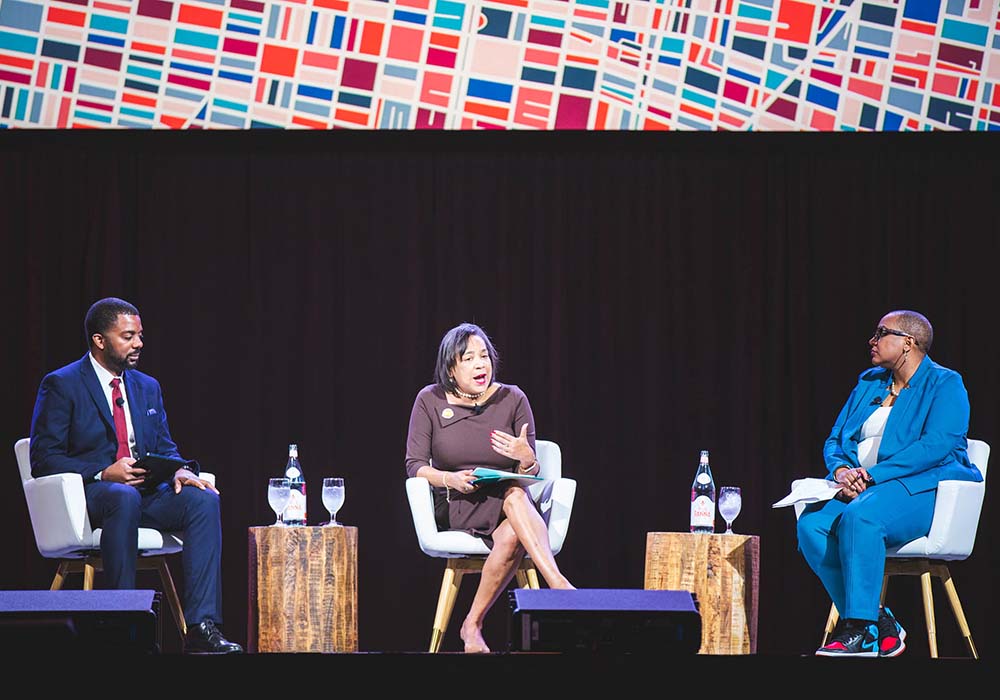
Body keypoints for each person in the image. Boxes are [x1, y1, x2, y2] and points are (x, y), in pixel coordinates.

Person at [29, 297, 243, 654]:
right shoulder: (62, 384)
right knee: (122, 496)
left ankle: (202, 627)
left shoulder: (147, 386)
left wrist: (178, 469)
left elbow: (164, 444)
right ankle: (123, 622)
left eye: (140, 336)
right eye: (128, 336)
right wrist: (102, 472)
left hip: (146, 492)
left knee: (202, 500)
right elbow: (43, 458)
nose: (138, 343)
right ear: (100, 340)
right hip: (93, 496)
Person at [796, 309, 981, 658]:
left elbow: (937, 445)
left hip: (922, 487)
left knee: (862, 518)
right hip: (864, 487)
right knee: (812, 525)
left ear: (908, 343)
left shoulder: (944, 383)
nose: (873, 340)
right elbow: (835, 438)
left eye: (882, 333)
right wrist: (841, 472)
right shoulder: (869, 382)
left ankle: (859, 630)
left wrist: (871, 475)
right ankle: (878, 622)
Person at [405, 322, 574, 653]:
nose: (480, 364)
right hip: (458, 499)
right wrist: (449, 478)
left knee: (514, 501)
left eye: (484, 356)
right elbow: (415, 465)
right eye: (468, 358)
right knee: (515, 505)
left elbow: (529, 472)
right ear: (451, 369)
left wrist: (527, 458)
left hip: (510, 500)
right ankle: (560, 587)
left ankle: (472, 625)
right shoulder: (430, 400)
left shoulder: (512, 398)